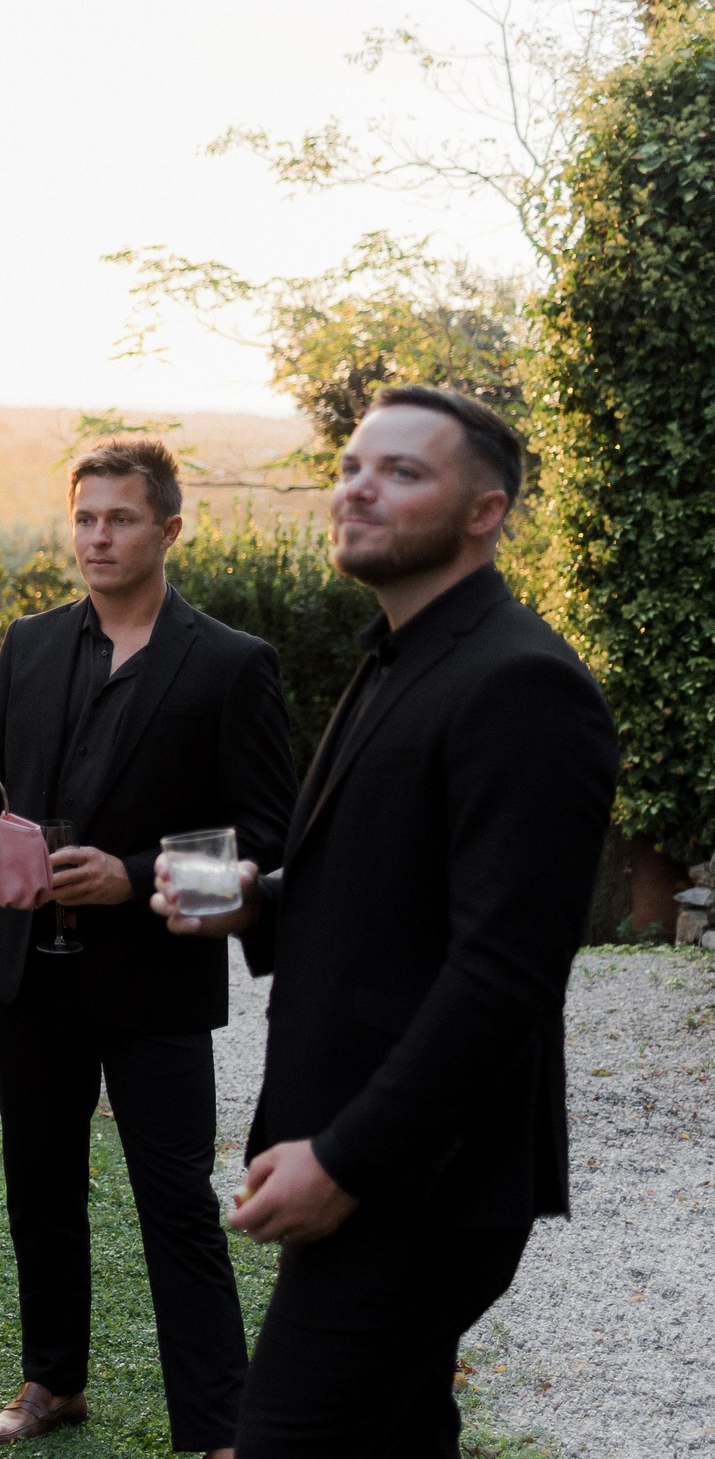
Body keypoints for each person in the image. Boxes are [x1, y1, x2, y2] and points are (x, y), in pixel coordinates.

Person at [151, 388, 617, 1458]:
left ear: (483, 511)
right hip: (376, 1166)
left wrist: (349, 1161)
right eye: (354, 464)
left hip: (425, 1187)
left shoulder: (524, 683)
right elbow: (390, 889)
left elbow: (503, 972)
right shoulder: (397, 654)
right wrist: (252, 902)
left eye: (403, 472)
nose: (358, 485)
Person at [0, 439, 295, 1453]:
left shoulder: (231, 665)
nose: (98, 537)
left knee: (176, 1203)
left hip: (156, 980)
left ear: (169, 529)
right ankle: (52, 1382)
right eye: (85, 517)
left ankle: (217, 1424)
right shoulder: (28, 644)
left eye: (121, 519)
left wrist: (136, 875)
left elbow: (268, 840)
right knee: (38, 1188)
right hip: (27, 975)